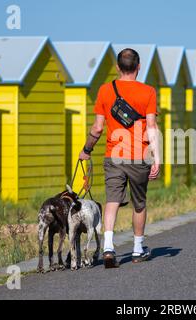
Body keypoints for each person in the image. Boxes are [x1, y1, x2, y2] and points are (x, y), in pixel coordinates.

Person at [79, 48, 160, 268]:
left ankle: (108, 247)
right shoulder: (149, 92)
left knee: (112, 202)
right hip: (139, 157)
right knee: (139, 204)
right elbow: (151, 127)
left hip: (113, 155)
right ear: (139, 67)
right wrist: (157, 157)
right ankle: (137, 249)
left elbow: (97, 128)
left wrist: (86, 149)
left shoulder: (105, 91)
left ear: (117, 67)